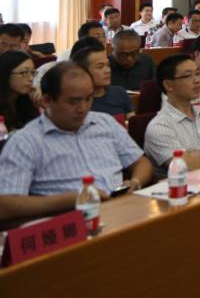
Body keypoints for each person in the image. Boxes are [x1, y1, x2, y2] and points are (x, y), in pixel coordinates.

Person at [0, 62, 154, 221]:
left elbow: (141, 162)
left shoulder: (104, 122)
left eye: (88, 99)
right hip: (71, 221)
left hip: (121, 211)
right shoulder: (25, 141)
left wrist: (135, 182)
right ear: (47, 101)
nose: (83, 108)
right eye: (74, 102)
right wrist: (66, 201)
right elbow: (5, 205)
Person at [71, 41, 133, 119]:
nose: (108, 70)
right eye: (100, 67)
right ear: (83, 71)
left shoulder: (119, 92)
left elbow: (132, 123)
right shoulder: (79, 104)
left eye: (108, 65)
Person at [0, 50, 39, 131]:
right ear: (6, 73)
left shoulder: (27, 102)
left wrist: (42, 104)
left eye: (32, 72)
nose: (31, 78)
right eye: (24, 72)